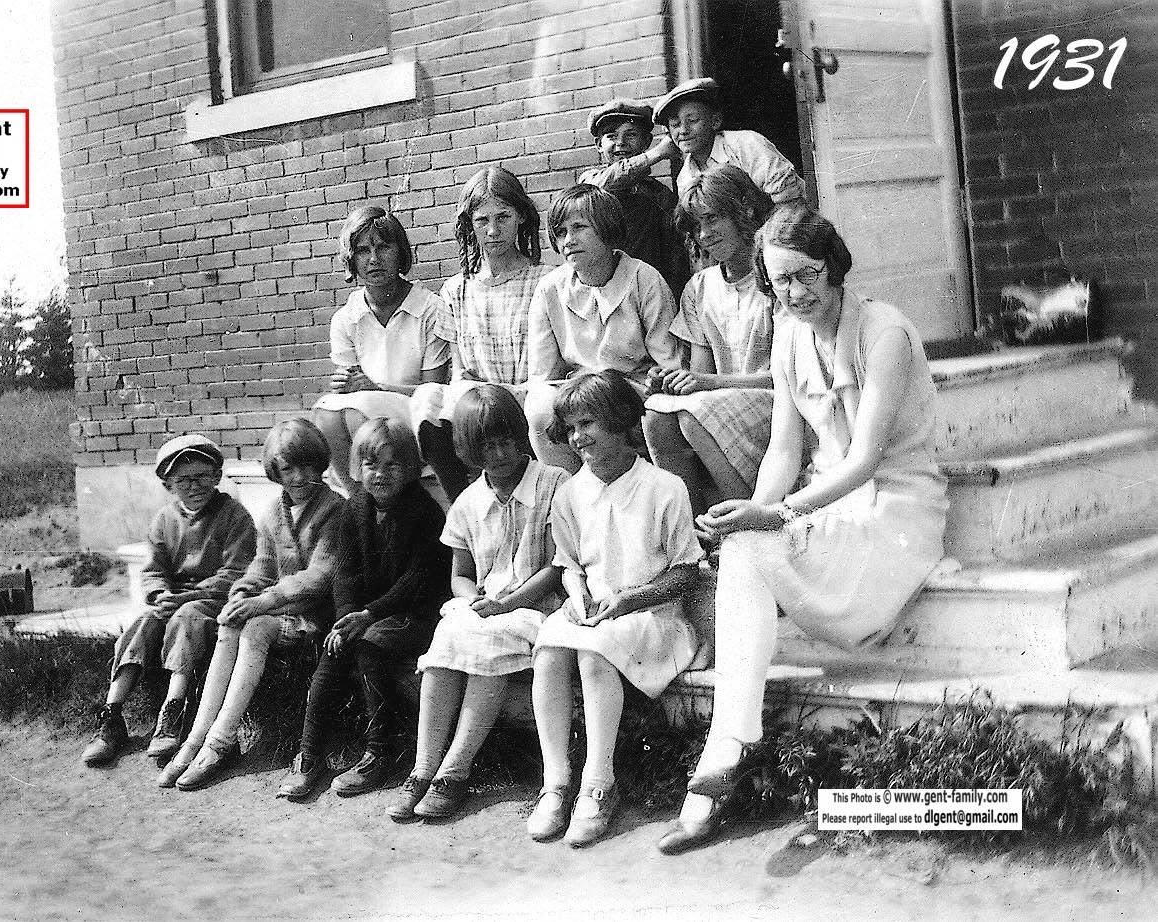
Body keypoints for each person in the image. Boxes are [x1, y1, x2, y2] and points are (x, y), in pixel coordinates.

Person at [657, 204, 948, 855]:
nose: (797, 292)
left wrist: (780, 515)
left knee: (753, 544)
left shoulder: (885, 333)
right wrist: (753, 512)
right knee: (741, 546)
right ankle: (726, 757)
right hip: (833, 517)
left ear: (834, 265)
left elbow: (868, 456)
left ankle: (726, 756)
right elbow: (785, 453)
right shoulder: (788, 335)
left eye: (808, 274)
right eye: (781, 280)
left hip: (896, 515)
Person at [527, 371, 703, 848]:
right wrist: (577, 592)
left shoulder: (665, 487)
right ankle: (556, 783)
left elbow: (686, 572)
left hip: (653, 615)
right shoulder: (569, 494)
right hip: (593, 610)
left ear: (623, 423)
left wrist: (629, 600)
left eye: (591, 424)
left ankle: (598, 785)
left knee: (594, 652)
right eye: (572, 427)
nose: (579, 437)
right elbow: (568, 565)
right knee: (548, 649)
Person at [390, 386, 568, 822]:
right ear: (470, 450)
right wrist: (473, 601)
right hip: (487, 608)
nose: (501, 453)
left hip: (538, 605)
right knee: (450, 634)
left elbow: (557, 567)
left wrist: (506, 604)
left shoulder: (553, 484)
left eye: (508, 441)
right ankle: (423, 769)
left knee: (490, 641)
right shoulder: (469, 501)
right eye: (487, 446)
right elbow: (461, 575)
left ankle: (455, 771)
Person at [157, 419, 344, 790]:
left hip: (315, 615)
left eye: (307, 466)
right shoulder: (274, 510)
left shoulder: (335, 509)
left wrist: (263, 602)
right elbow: (262, 565)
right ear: (275, 471)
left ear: (320, 465)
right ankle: (195, 740)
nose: (299, 477)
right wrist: (242, 593)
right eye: (288, 468)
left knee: (255, 626)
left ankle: (220, 741)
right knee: (230, 622)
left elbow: (320, 577)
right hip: (279, 610)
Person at [278, 417, 451, 801]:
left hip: (415, 612)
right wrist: (345, 619)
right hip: (370, 612)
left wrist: (368, 615)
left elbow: (419, 579)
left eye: (393, 465)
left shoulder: (424, 512)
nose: (381, 474)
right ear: (358, 468)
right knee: (335, 647)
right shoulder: (354, 508)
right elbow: (346, 572)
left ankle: (380, 752)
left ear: (410, 468)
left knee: (369, 645)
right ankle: (310, 754)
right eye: (372, 465)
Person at [82, 434, 256, 768]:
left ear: (217, 477)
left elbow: (237, 571)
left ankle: (172, 710)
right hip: (173, 597)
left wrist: (186, 597)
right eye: (183, 480)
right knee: (144, 623)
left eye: (202, 477)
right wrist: (159, 593)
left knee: (186, 618)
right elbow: (154, 568)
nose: (194, 486)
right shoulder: (164, 518)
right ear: (168, 484)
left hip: (211, 599)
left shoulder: (235, 516)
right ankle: (112, 715)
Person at [644, 164, 777, 517]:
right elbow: (700, 375)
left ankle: (744, 518)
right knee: (656, 414)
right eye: (696, 225)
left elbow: (790, 375)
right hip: (722, 401)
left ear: (745, 211)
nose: (704, 235)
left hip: (777, 398)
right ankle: (695, 525)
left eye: (713, 219)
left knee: (694, 415)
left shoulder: (775, 278)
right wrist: (676, 382)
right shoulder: (700, 287)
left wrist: (708, 384)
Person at [410, 166, 547, 502]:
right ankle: (463, 503)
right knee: (427, 398)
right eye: (482, 220)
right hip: (476, 399)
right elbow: (460, 370)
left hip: (524, 398)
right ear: (469, 226)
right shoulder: (456, 289)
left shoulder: (545, 280)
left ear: (521, 219)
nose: (493, 230)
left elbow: (546, 367)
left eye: (503, 217)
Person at [525, 184, 682, 472]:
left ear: (607, 230)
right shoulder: (550, 289)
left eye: (580, 227)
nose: (569, 240)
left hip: (633, 389)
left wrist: (658, 379)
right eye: (561, 232)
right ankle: (576, 495)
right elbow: (543, 374)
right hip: (577, 390)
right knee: (539, 408)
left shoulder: (644, 278)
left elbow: (668, 360)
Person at [313, 206, 451, 495]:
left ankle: (378, 500)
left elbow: (433, 392)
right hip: (364, 418)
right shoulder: (346, 318)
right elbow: (349, 388)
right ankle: (358, 500)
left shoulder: (430, 308)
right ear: (352, 260)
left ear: (400, 252)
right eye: (362, 250)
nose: (374, 259)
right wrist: (344, 386)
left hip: (416, 415)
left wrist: (376, 388)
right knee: (328, 411)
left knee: (355, 410)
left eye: (383, 247)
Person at [578, 99, 692, 299]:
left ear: (645, 141)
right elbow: (603, 186)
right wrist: (656, 154)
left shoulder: (659, 194)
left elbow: (676, 252)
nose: (620, 142)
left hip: (648, 290)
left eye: (630, 135)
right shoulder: (591, 180)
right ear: (598, 144)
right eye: (611, 136)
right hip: (604, 290)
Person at [652, 78, 803, 207]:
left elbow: (789, 200)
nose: (683, 130)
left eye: (692, 120)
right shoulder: (685, 178)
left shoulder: (745, 145)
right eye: (675, 124)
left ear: (715, 121)